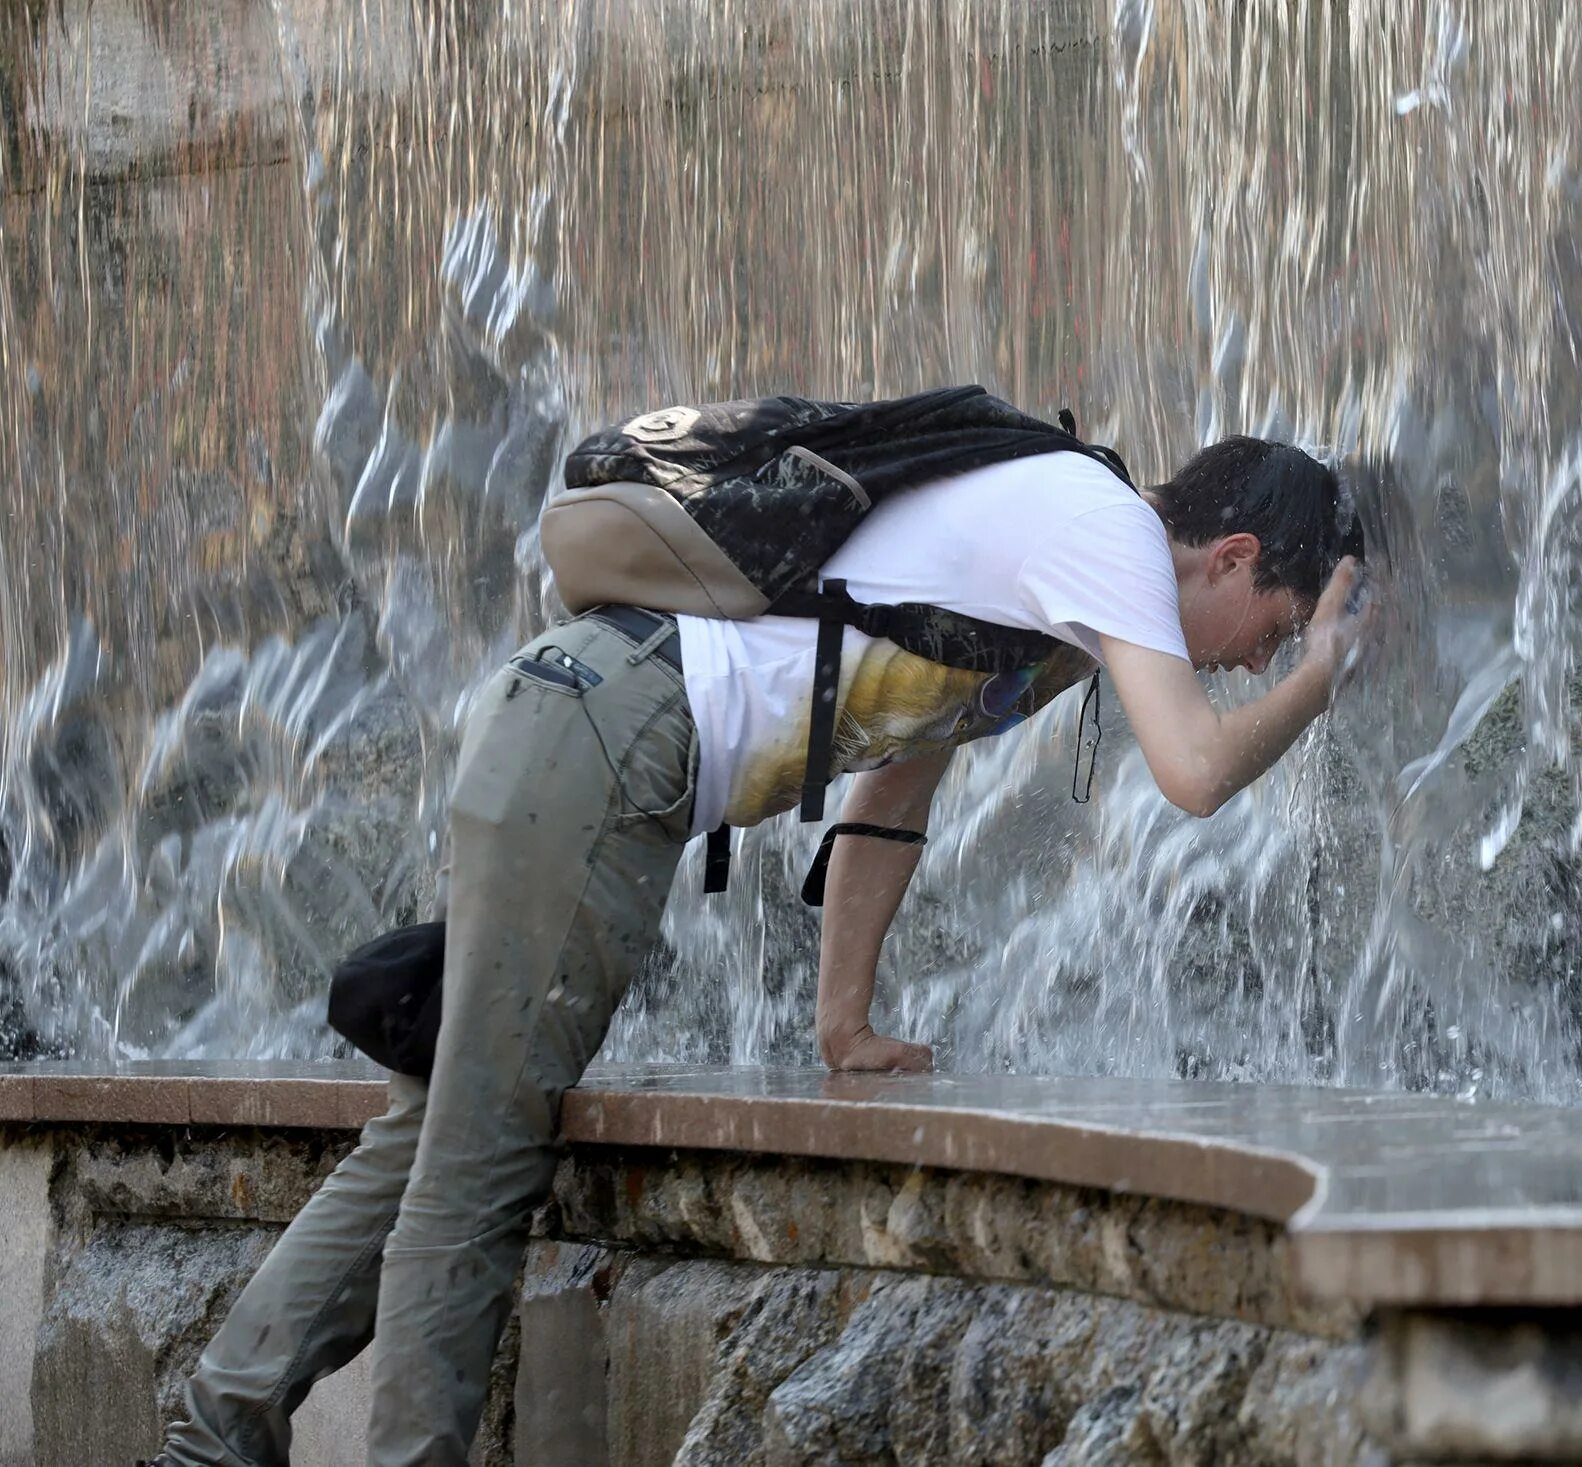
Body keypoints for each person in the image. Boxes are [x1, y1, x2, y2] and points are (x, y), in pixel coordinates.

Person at [154, 427, 1367, 1465]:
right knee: (480, 1156)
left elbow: (891, 793)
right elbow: (1196, 773)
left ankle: (219, 1427)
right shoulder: (1099, 529)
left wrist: (844, 1021)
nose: (1254, 659)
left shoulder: (1050, 597)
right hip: (601, 737)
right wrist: (1315, 681)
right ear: (1234, 557)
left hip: (573, 718)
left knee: (434, 1125)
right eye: (1269, 627)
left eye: (1277, 652)